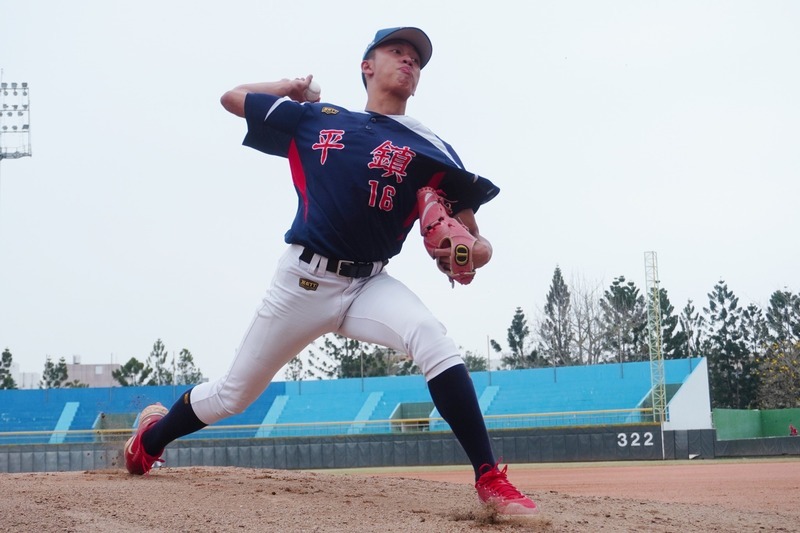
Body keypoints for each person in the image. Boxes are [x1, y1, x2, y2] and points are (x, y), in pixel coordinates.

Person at [124, 26, 538, 516]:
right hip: (302, 282)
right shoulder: (318, 120)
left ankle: (489, 478)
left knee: (431, 335)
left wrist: (468, 252)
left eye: (417, 60)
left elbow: (477, 240)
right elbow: (231, 98)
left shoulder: (430, 149)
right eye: (397, 52)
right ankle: (148, 442)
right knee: (233, 395)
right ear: (367, 66)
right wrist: (289, 88)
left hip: (369, 284)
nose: (409, 62)